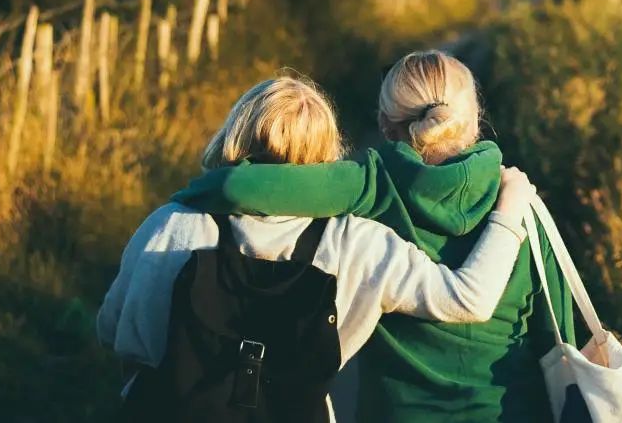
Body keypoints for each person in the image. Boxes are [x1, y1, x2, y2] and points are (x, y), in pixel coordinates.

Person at [97, 75, 535, 422]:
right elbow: (469, 298)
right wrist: (510, 207)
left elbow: (115, 328)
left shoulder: (174, 223)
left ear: (235, 133)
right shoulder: (357, 243)